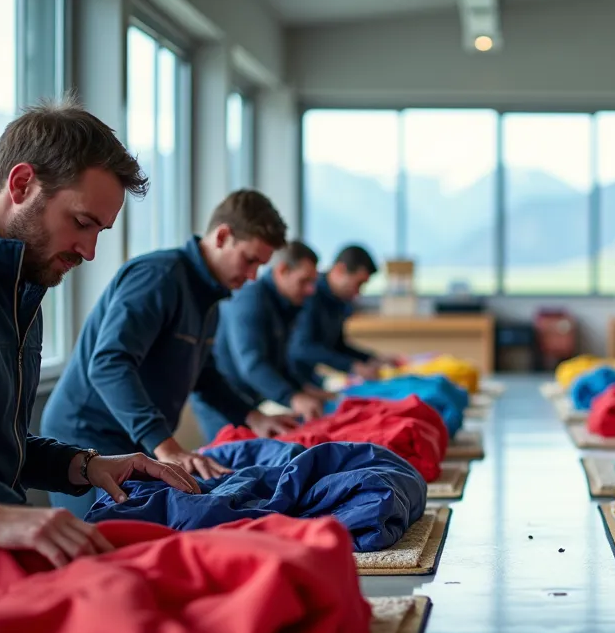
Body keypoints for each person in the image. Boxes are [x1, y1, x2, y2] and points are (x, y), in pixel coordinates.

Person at [0, 97, 199, 578]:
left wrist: (84, 465)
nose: (90, 251)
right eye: (81, 223)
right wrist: (16, 518)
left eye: (100, 231)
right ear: (21, 184)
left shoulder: (22, 284)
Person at [42, 189, 299, 518]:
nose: (252, 277)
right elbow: (108, 365)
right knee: (97, 548)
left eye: (259, 267)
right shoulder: (159, 277)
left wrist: (254, 417)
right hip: (84, 438)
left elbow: (204, 377)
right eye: (250, 260)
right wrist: (167, 447)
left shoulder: (210, 301)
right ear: (222, 236)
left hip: (133, 441)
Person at [192, 240, 332, 442]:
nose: (311, 290)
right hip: (223, 398)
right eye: (304, 281)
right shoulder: (251, 297)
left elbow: (280, 362)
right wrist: (293, 397)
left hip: (250, 399)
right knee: (230, 459)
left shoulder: (284, 304)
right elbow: (253, 363)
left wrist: (303, 389)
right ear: (282, 270)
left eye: (313, 282)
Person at [287, 245, 393, 387]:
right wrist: (353, 366)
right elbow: (303, 347)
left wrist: (371, 359)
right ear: (339, 270)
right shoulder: (310, 294)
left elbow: (337, 345)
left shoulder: (339, 301)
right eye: (358, 283)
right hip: (291, 379)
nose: (358, 292)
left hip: (310, 377)